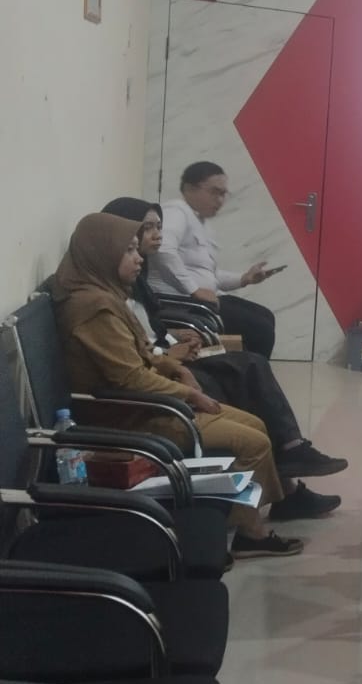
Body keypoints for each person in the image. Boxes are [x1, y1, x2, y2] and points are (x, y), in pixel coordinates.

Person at [50, 214, 332, 558]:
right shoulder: (95, 310)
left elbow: (142, 354)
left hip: (145, 403)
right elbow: (131, 378)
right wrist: (191, 393)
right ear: (102, 253)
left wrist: (175, 368)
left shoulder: (105, 295)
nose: (139, 259)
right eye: (129, 251)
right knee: (254, 443)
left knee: (256, 424)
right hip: (130, 416)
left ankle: (242, 522)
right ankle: (247, 532)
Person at [104, 197, 346, 481]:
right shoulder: (108, 296)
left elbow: (148, 327)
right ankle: (287, 469)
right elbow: (134, 356)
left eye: (159, 227)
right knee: (241, 374)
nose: (158, 235)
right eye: (147, 229)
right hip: (160, 373)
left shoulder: (137, 278)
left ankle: (290, 457)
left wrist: (174, 336)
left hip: (167, 354)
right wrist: (169, 353)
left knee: (252, 362)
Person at [146, 161, 280, 358]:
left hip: (202, 300)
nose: (220, 200)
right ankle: (251, 373)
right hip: (180, 303)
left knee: (265, 316)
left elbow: (209, 274)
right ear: (190, 188)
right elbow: (163, 250)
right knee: (260, 328)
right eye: (215, 192)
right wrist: (193, 289)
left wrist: (244, 278)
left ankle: (250, 371)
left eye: (224, 194)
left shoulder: (200, 222)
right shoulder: (176, 211)